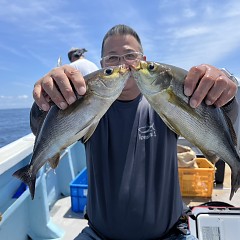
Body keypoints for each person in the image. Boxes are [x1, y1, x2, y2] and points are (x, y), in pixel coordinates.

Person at [31, 24, 238, 239]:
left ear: (144, 60)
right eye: (112, 59)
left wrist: (225, 97)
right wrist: (44, 102)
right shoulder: (88, 107)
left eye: (130, 55)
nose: (123, 64)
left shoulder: (164, 105)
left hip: (170, 234)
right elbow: (43, 128)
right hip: (98, 235)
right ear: (102, 65)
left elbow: (214, 120)